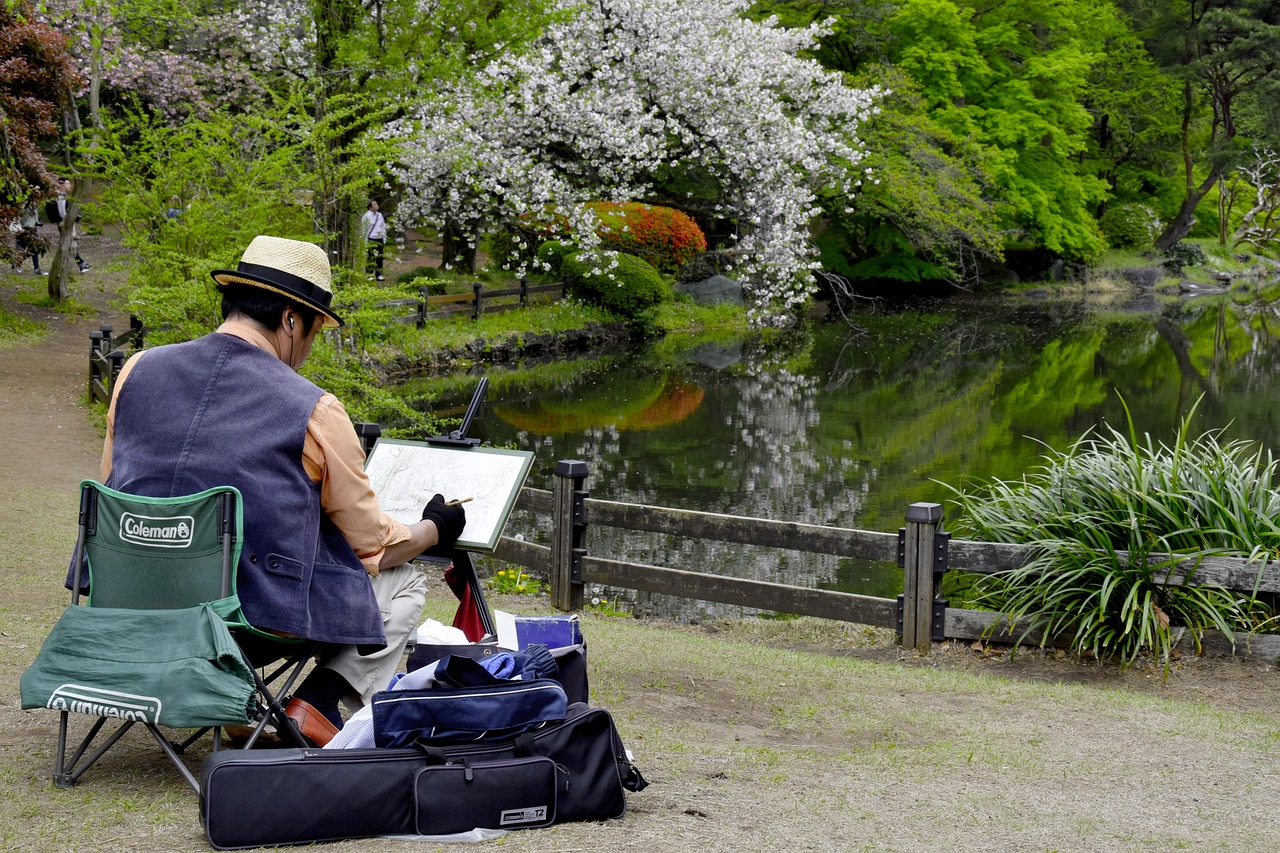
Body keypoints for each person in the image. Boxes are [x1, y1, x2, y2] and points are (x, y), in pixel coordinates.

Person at [92, 235, 466, 745]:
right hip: (246, 623)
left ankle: (242, 696)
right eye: (314, 332)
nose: (309, 349)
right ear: (292, 319)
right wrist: (434, 528)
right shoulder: (313, 408)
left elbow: (117, 489)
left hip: (129, 606)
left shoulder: (135, 371)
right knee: (402, 580)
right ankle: (321, 703)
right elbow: (371, 545)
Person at [55, 194, 89, 272]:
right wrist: (68, 219)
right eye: (67, 183)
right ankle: (80, 264)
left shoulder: (65, 196)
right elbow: (62, 212)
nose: (69, 185)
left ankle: (79, 264)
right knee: (71, 244)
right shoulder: (61, 197)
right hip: (66, 223)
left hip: (67, 223)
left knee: (69, 245)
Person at [361, 199, 387, 281]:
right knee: (371, 257)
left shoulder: (380, 215)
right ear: (370, 207)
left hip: (380, 238)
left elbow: (383, 227)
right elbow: (364, 229)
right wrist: (364, 241)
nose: (377, 205)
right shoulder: (366, 216)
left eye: (376, 203)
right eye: (374, 204)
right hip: (371, 238)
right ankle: (369, 274)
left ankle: (379, 274)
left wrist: (384, 237)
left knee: (380, 257)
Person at [18, 203, 45, 275]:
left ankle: (36, 268)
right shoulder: (25, 207)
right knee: (23, 249)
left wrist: (37, 223)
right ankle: (18, 264)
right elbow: (22, 220)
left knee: (34, 250)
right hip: (26, 230)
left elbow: (34, 220)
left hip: (33, 231)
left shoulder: (35, 208)